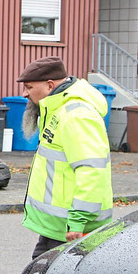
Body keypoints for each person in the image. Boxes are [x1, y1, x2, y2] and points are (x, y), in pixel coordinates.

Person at [17, 56, 113, 259]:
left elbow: (91, 170)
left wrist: (77, 221)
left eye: (29, 87)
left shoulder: (76, 115)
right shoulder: (56, 109)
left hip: (72, 229)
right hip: (57, 227)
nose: (24, 93)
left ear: (50, 85)